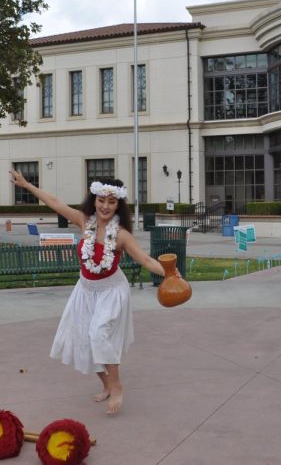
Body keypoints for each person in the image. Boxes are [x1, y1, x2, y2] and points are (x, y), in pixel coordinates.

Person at [9, 169, 169, 414]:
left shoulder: (122, 236)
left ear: (118, 205)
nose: (105, 206)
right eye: (101, 200)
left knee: (98, 334)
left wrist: (170, 274)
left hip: (111, 291)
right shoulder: (84, 221)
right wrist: (26, 185)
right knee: (84, 339)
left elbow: (146, 260)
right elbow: (54, 202)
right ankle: (106, 384)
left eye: (111, 202)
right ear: (94, 200)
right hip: (85, 289)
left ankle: (117, 387)